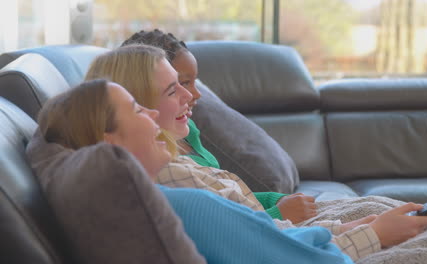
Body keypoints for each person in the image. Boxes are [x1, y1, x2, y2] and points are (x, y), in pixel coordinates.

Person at [84, 44, 427, 261]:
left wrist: (352, 227)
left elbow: (271, 236)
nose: (192, 97)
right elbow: (278, 251)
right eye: (174, 90)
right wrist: (371, 234)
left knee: (415, 216)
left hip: (310, 241)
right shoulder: (181, 190)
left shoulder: (175, 169)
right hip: (324, 251)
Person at [36, 78, 355, 263]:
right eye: (137, 108)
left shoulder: (145, 203)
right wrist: (367, 234)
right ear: (109, 141)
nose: (151, 113)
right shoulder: (185, 205)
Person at [120, 29, 317, 224]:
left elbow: (230, 195)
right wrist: (277, 213)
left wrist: (276, 200)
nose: (194, 94)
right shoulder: (169, 168)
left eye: (192, 82)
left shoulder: (189, 131)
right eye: (182, 83)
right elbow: (216, 224)